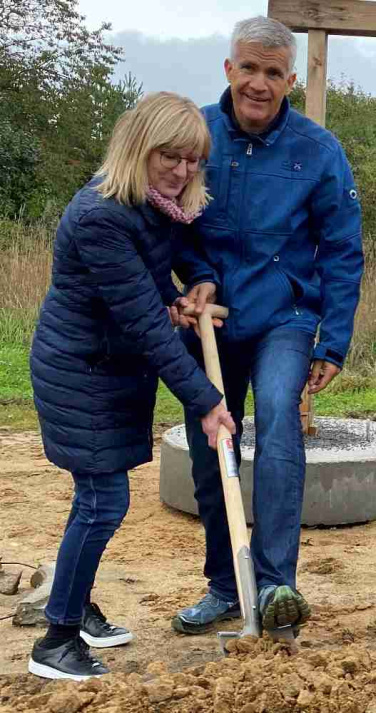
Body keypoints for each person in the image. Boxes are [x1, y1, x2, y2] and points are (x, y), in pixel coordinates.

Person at [28, 92, 236, 680]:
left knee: (93, 501)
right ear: (137, 147)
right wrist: (205, 400)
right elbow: (145, 322)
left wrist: (197, 281)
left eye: (193, 160)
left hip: (110, 369)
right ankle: (56, 639)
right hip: (80, 371)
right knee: (104, 502)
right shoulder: (100, 215)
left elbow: (179, 257)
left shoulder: (155, 206)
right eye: (169, 155)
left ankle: (76, 602)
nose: (181, 170)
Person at [171, 16, 364, 635]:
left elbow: (341, 248)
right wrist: (195, 279)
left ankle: (277, 584)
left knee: (280, 420)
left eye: (273, 73)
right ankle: (227, 585)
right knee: (211, 448)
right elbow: (169, 218)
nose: (259, 83)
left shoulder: (318, 150)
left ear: (290, 81)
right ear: (229, 69)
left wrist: (333, 338)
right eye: (248, 68)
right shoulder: (193, 135)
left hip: (286, 316)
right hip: (211, 319)